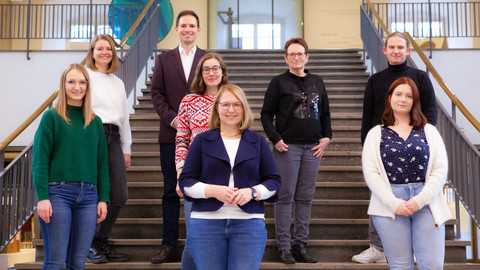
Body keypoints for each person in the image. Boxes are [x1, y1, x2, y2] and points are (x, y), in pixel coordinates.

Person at [354, 31, 438, 264]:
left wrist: (419, 142)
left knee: (419, 202)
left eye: (400, 47)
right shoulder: (375, 80)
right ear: (385, 50)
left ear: (408, 50)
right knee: (380, 196)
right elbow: (367, 117)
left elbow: (430, 112)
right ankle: (378, 248)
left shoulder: (420, 77)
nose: (396, 51)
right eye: (391, 47)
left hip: (415, 151)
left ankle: (413, 247)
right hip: (382, 151)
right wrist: (367, 151)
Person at [179, 84, 281, 270]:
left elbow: (274, 182)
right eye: (225, 104)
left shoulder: (257, 142)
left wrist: (253, 192)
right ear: (217, 108)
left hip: (249, 225)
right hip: (206, 224)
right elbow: (186, 182)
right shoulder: (202, 140)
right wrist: (212, 190)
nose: (231, 110)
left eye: (237, 104)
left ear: (244, 109)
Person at [362, 77, 451, 269]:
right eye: (399, 94)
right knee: (400, 266)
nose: (403, 99)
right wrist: (393, 203)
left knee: (432, 265)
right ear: (390, 98)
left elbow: (439, 170)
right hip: (389, 206)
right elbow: (371, 174)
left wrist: (420, 200)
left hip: (427, 203)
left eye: (409, 96)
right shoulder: (376, 134)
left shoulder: (429, 131)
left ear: (414, 101)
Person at [260, 37, 332, 264]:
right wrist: (275, 138)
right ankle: (283, 246)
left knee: (305, 197)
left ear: (307, 56)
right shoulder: (278, 82)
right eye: (291, 54)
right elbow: (265, 114)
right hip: (287, 147)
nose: (296, 57)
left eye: (300, 53)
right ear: (286, 58)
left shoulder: (317, 81)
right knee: (284, 196)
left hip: (313, 148)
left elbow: (326, 113)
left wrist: (327, 137)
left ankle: (300, 244)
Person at [32, 63, 110, 270]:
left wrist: (103, 198)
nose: (77, 87)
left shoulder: (95, 122)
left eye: (82, 82)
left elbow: (102, 163)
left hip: (89, 197)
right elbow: (40, 160)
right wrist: (42, 197)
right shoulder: (51, 118)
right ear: (63, 85)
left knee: (78, 263)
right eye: (72, 82)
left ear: (87, 86)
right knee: (56, 261)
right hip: (57, 194)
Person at [150, 10, 206, 264]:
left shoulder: (207, 59)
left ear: (198, 29)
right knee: (171, 191)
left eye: (191, 26)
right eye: (183, 25)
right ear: (176, 29)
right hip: (170, 135)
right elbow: (156, 95)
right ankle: (169, 244)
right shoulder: (163, 59)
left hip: (203, 139)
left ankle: (202, 241)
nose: (187, 29)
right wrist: (175, 119)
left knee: (202, 189)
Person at [175, 52, 229, 269]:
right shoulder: (188, 101)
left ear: (223, 72)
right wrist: (180, 172)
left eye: (216, 68)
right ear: (200, 74)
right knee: (195, 237)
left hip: (227, 174)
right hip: (196, 174)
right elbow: (181, 140)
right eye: (206, 69)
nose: (211, 73)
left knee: (223, 236)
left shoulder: (231, 99)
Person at [85, 34, 131, 263]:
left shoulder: (118, 82)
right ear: (92, 52)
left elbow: (125, 118)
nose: (105, 52)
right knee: (94, 193)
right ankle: (89, 244)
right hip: (92, 135)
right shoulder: (85, 76)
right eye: (100, 48)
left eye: (109, 49)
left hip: (114, 137)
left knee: (120, 194)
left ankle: (100, 239)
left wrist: (126, 148)